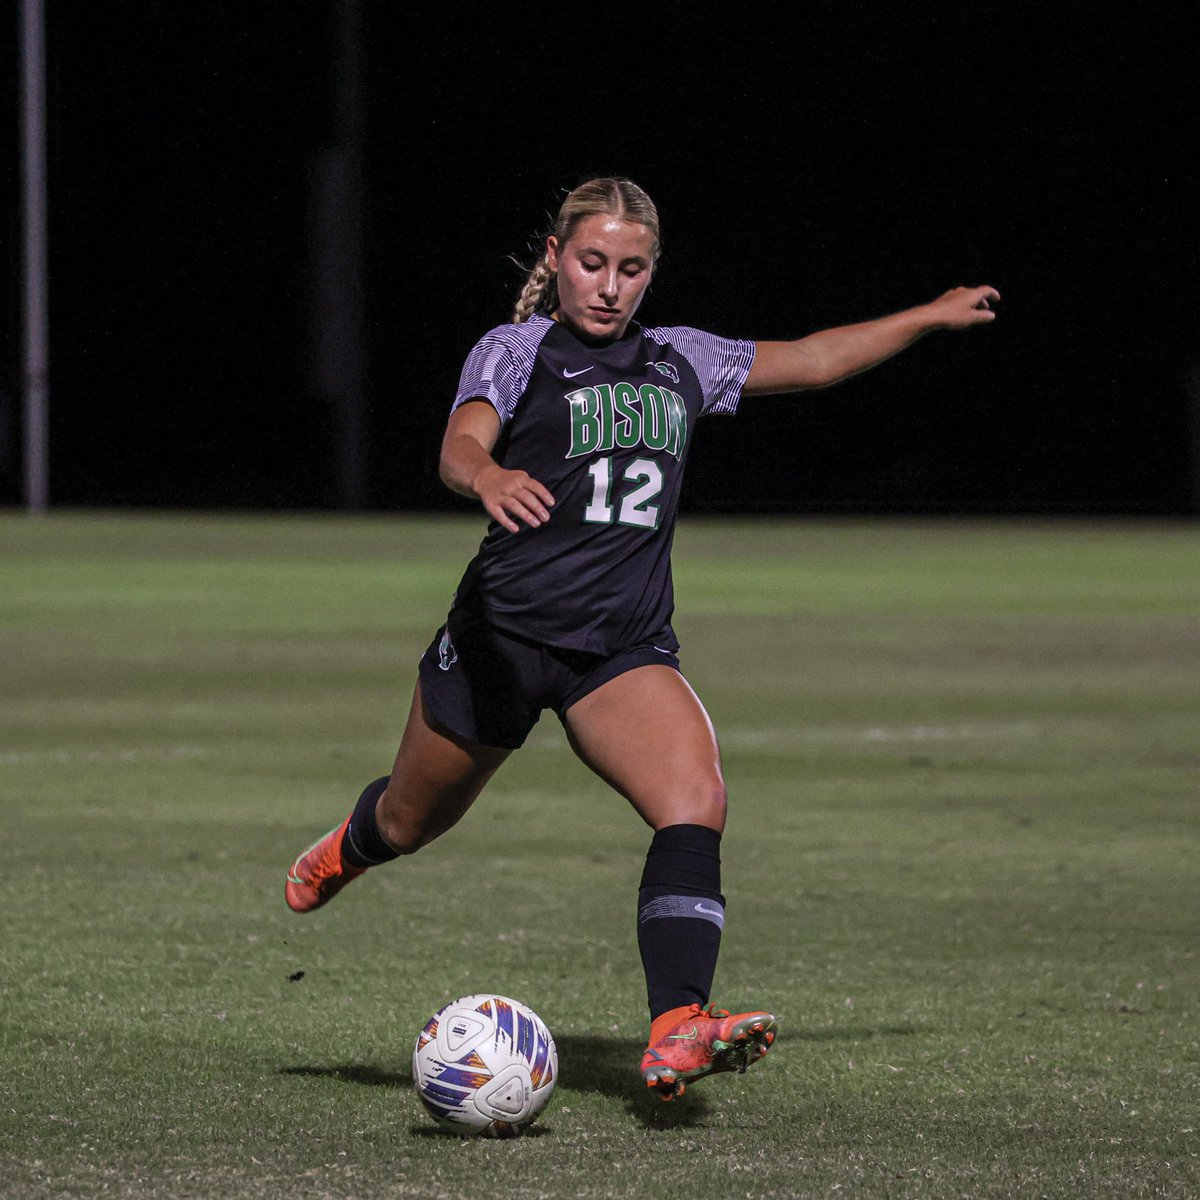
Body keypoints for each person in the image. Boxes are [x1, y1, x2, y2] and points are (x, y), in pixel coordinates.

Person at [285, 177, 999, 1102]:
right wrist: (486, 475)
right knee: (409, 822)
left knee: (695, 797)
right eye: (591, 263)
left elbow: (817, 359)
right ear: (555, 258)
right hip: (500, 641)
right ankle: (354, 842)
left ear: (652, 272)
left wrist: (930, 316)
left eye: (631, 268)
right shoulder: (516, 349)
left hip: (616, 653)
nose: (609, 285)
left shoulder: (683, 360)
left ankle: (677, 1027)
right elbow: (459, 443)